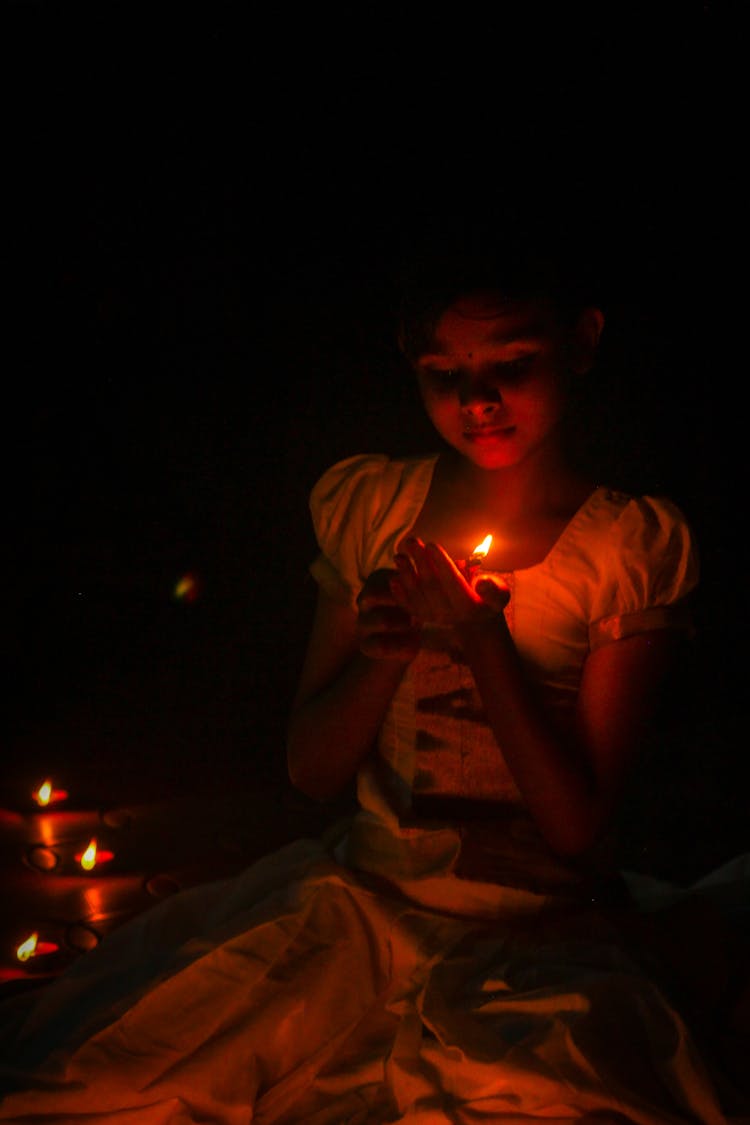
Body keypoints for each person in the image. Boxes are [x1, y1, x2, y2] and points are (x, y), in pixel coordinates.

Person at [0, 213, 747, 1123]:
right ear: (408, 357)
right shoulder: (374, 509)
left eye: (511, 364)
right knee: (106, 1078)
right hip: (360, 904)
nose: (478, 400)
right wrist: (387, 657)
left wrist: (483, 646)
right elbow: (312, 771)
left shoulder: (624, 550)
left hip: (540, 937)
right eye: (446, 374)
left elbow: (579, 830)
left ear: (581, 342)